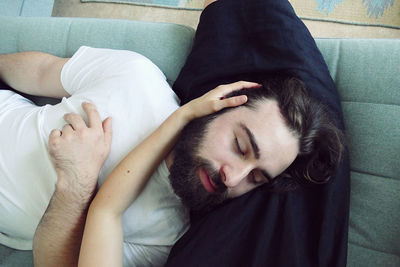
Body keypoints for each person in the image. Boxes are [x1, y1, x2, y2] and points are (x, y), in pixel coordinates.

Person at [0, 1, 346, 267]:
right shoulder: (137, 78)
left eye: (256, 177)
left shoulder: (166, 236)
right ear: (221, 104)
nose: (233, 177)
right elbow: (44, 69)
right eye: (240, 146)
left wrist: (75, 186)